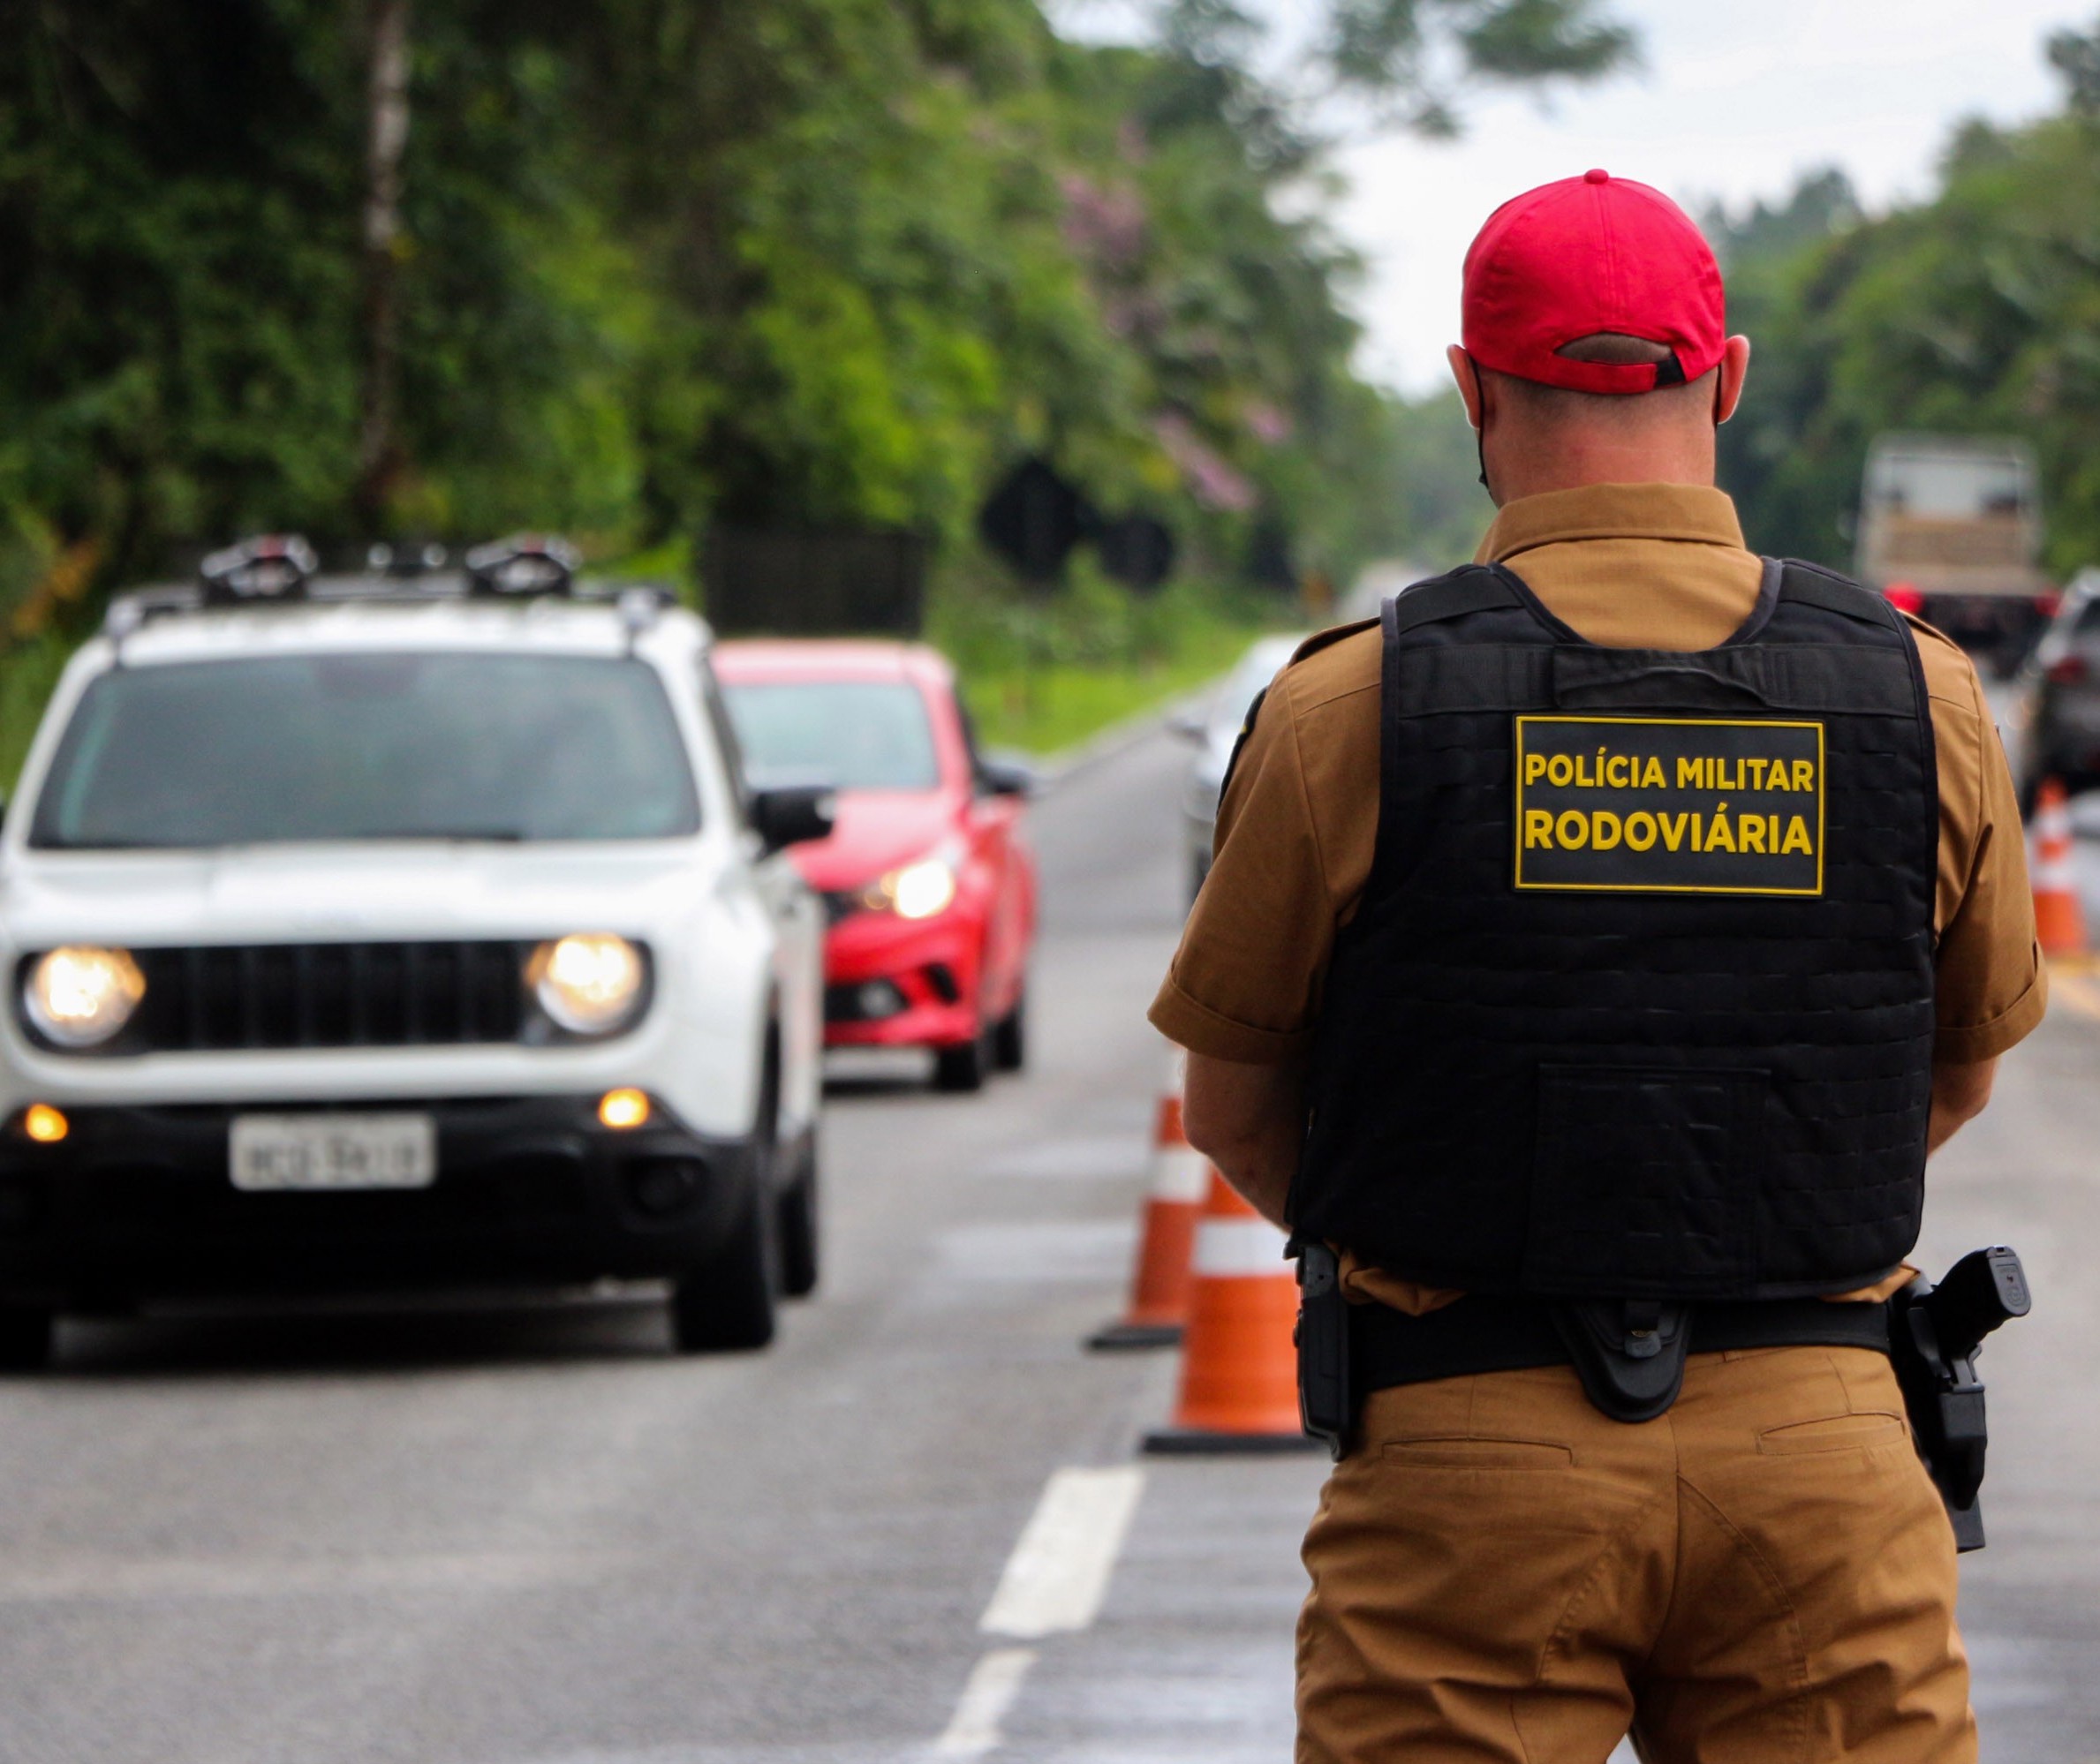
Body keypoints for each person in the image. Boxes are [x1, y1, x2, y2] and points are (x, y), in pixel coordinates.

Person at [1149, 170, 2045, 1763]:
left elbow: (1232, 1108)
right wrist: (1741, 1191)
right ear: (1730, 374)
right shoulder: (1922, 698)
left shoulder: (1349, 707)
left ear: (1472, 389)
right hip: (1825, 1460)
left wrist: (1483, 1212)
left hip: (1463, 1457)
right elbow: (1959, 1065)